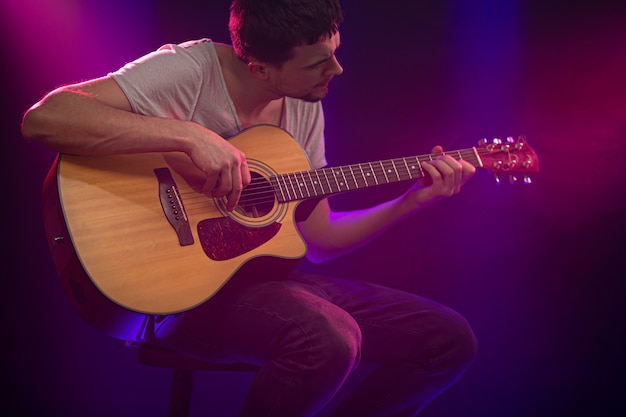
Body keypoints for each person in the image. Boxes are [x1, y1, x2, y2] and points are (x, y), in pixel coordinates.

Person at [22, 0, 478, 415]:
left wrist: (411, 201)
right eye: (319, 63)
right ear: (259, 68)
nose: (336, 70)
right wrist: (189, 136)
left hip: (256, 286)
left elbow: (319, 239)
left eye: (335, 52)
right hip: (176, 299)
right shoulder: (189, 70)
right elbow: (46, 118)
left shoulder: (303, 103)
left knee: (447, 340)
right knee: (328, 339)